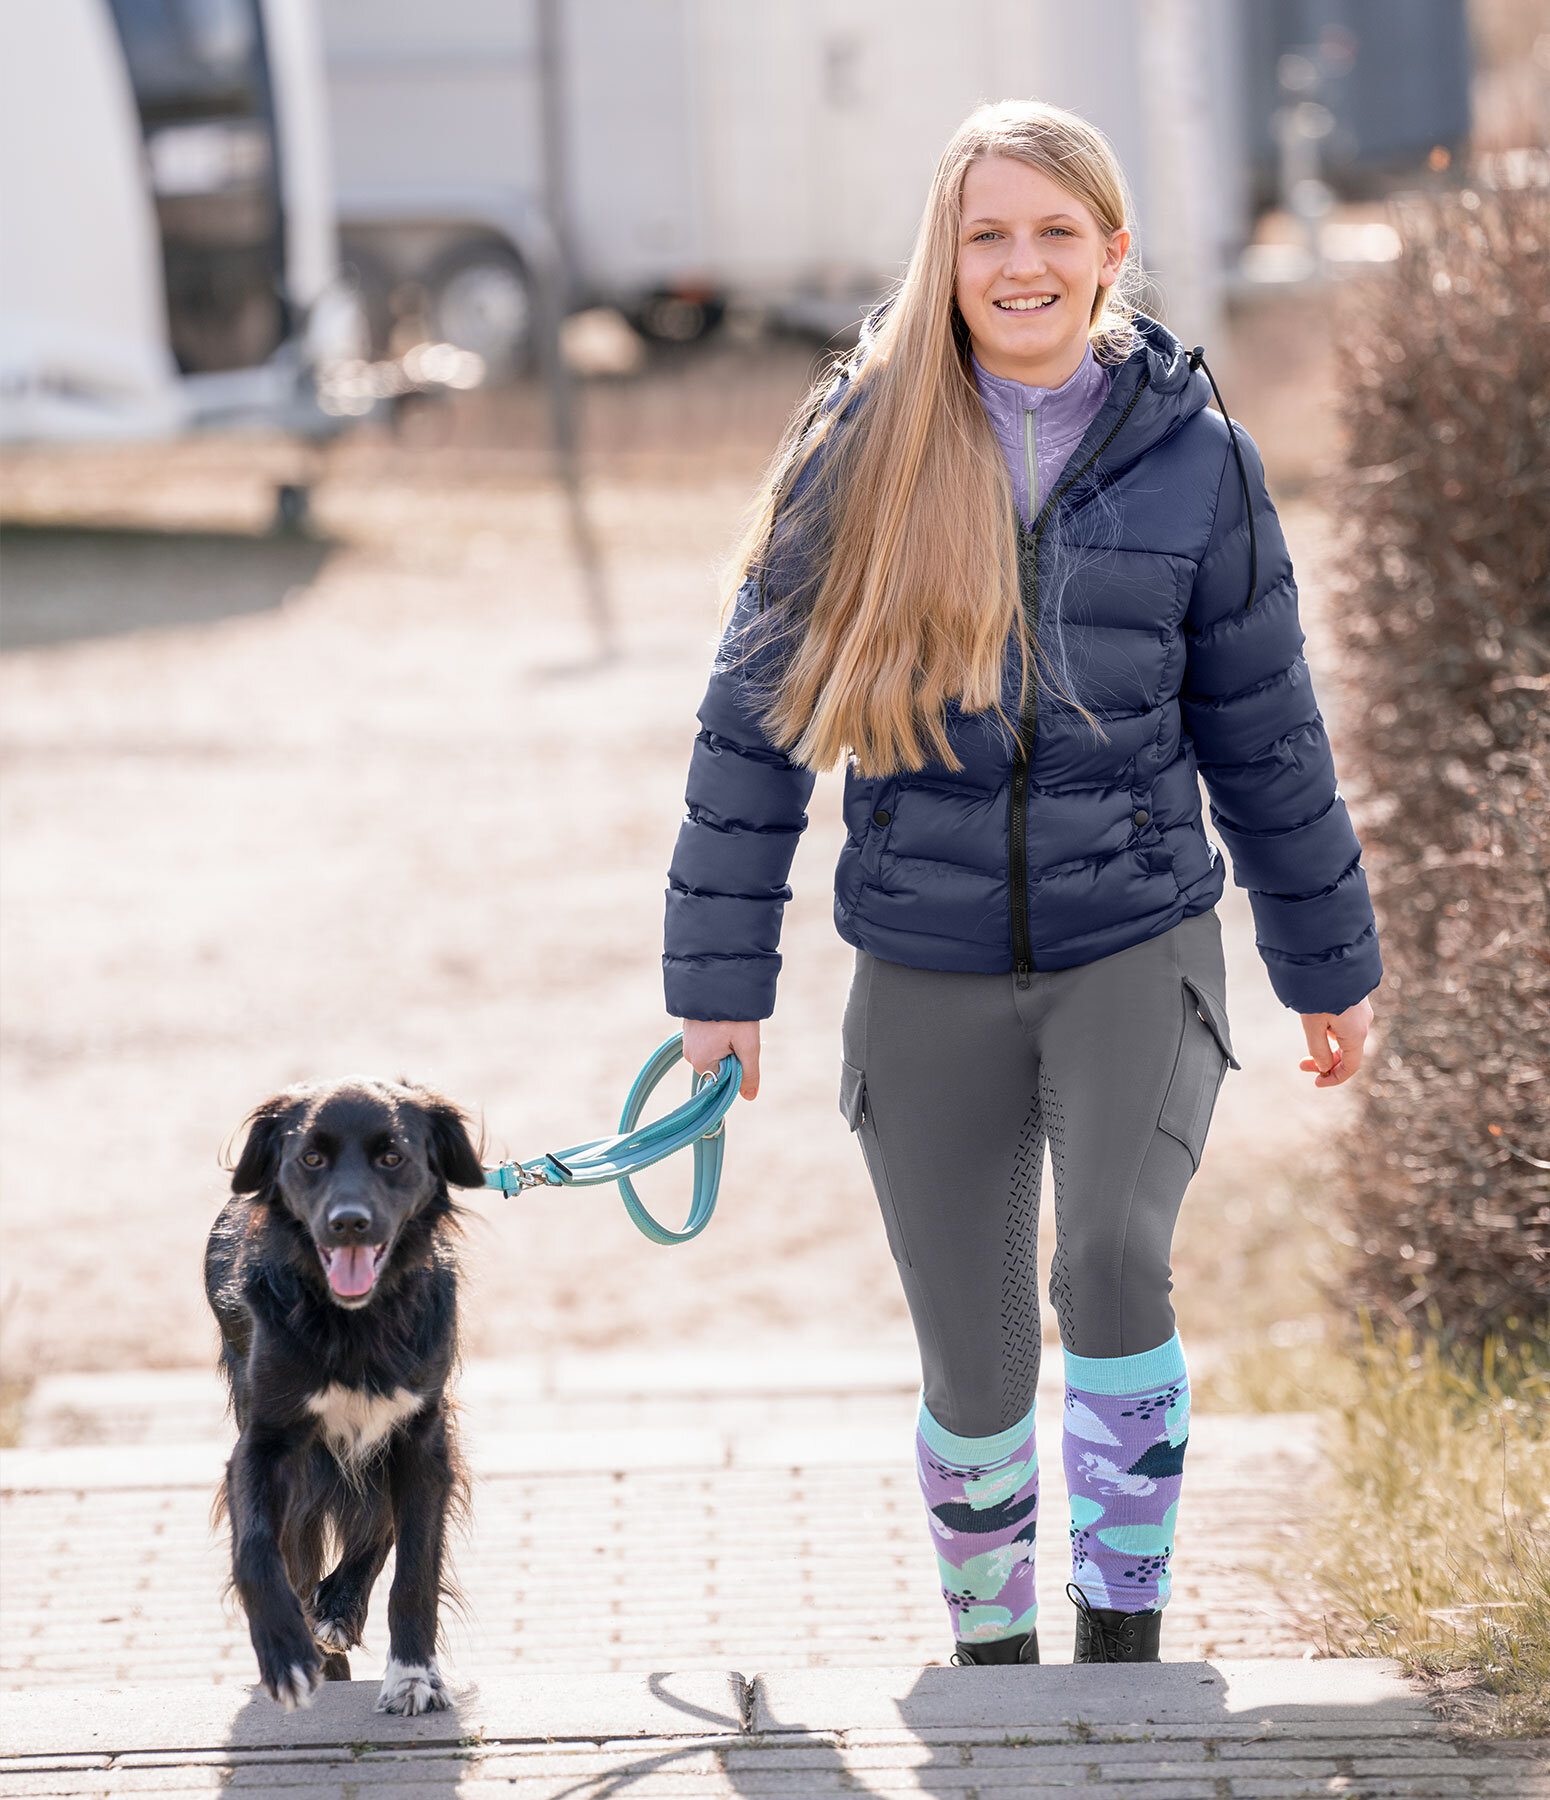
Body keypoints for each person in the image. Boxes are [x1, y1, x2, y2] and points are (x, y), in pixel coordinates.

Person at [663, 100, 1380, 1667]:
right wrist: (718, 998)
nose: (1020, 262)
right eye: (986, 233)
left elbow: (1265, 733)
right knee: (974, 1364)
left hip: (1136, 932)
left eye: (1056, 231)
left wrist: (1325, 963)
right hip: (920, 962)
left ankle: (1119, 1637)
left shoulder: (1202, 465)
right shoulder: (858, 447)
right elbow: (749, 734)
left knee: (1113, 1258)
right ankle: (992, 1658)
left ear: (1111, 253)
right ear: (947, 255)